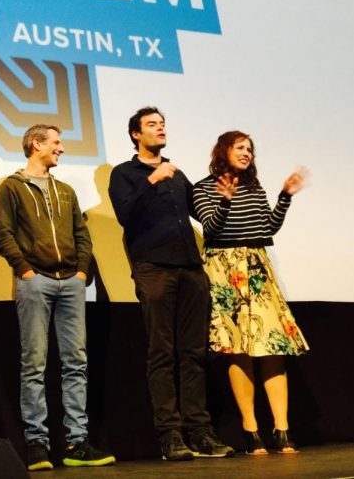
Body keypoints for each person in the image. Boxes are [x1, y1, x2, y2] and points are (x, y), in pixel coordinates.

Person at [108, 107, 233, 461]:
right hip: (153, 269)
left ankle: (200, 431)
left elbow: (203, 216)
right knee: (162, 353)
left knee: (193, 353)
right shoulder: (125, 174)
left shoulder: (177, 173)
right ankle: (170, 435)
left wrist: (222, 203)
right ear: (136, 134)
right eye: (152, 124)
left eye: (162, 124)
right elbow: (124, 215)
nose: (160, 128)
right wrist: (152, 180)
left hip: (191, 268)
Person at [0, 124, 115, 471]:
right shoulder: (11, 188)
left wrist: (81, 273)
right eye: (56, 142)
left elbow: (82, 235)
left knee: (76, 362)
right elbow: (3, 236)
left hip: (71, 284)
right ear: (36, 144)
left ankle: (77, 442)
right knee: (34, 364)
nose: (61, 148)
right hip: (36, 283)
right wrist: (26, 271)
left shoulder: (65, 191)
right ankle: (37, 444)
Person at [193, 131, 309, 455]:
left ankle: (282, 428)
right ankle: (250, 427)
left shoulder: (254, 187)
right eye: (240, 147)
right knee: (239, 348)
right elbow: (211, 229)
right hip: (225, 270)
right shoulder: (203, 188)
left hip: (257, 266)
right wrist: (226, 199)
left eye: (250, 150)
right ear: (223, 151)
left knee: (273, 346)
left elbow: (267, 228)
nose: (247, 153)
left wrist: (284, 196)